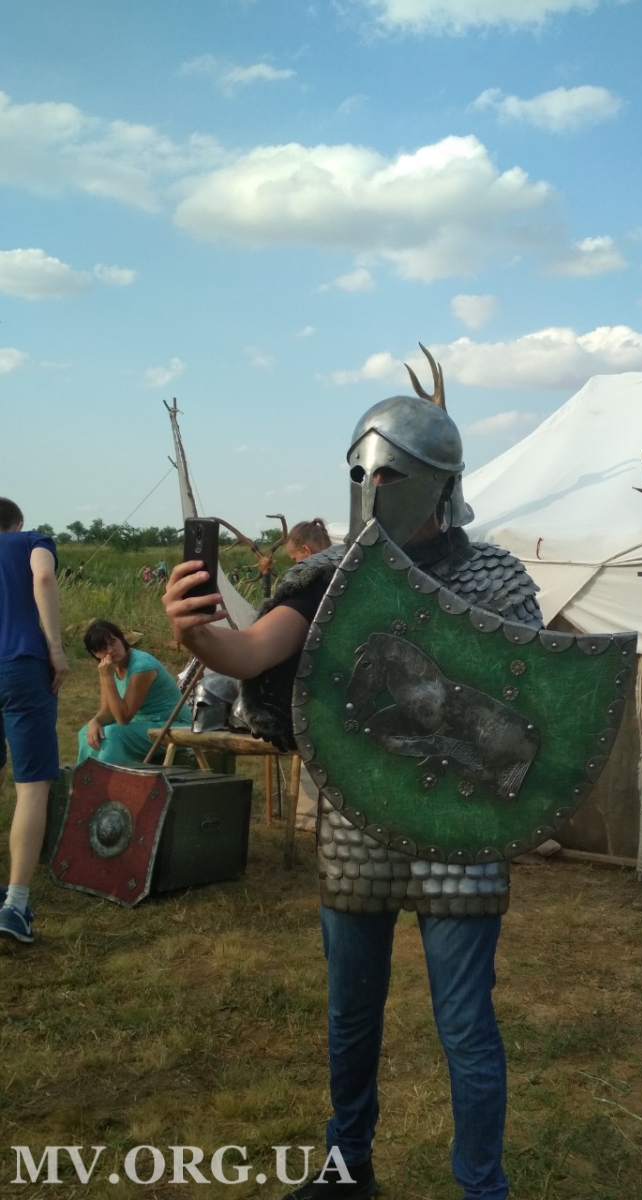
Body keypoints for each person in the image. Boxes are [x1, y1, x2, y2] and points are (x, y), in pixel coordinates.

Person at [162, 346, 542, 1200]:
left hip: (459, 823)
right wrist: (198, 635)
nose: (373, 493)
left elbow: (527, 707)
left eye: (392, 477)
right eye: (362, 476)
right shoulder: (331, 577)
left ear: (440, 487)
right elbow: (253, 650)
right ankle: (347, 1171)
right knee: (350, 1016)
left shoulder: (494, 580)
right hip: (357, 816)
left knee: (465, 1027)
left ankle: (482, 1189)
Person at [0, 497, 69, 946]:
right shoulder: (31, 541)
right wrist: (56, 650)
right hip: (21, 665)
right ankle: (16, 906)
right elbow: (43, 577)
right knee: (31, 786)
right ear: (18, 522)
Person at [77, 620, 190, 765]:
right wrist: (95, 721)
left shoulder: (142, 666)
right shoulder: (108, 668)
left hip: (173, 726)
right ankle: (87, 776)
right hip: (143, 724)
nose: (110, 651)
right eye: (103, 648)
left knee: (113, 733)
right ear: (95, 654)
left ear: (122, 639)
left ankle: (106, 777)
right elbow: (108, 710)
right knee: (86, 733)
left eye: (113, 643)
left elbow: (123, 718)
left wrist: (107, 677)